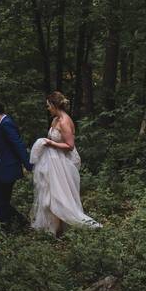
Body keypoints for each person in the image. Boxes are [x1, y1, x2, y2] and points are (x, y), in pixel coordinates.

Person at [29, 91, 102, 236]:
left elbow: (69, 146)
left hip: (65, 161)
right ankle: (55, 230)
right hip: (54, 161)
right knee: (51, 195)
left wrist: (49, 143)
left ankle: (74, 226)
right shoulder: (55, 120)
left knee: (62, 196)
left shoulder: (64, 122)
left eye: (49, 105)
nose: (47, 108)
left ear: (55, 105)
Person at [0, 101, 34, 231]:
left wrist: (28, 164)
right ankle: (18, 222)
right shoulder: (4, 124)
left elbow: (18, 144)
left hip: (7, 169)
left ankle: (7, 228)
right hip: (2, 168)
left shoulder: (6, 124)